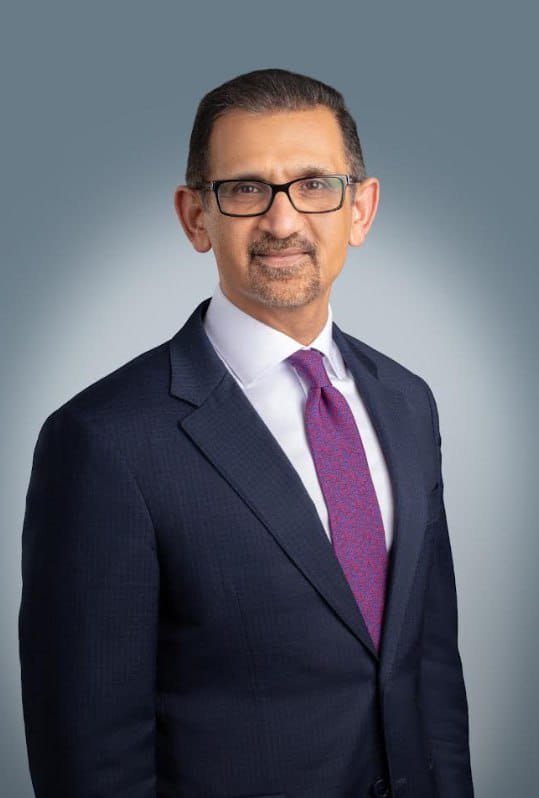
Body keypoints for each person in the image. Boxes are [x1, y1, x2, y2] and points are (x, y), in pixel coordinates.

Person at [18, 68, 474, 798]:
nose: (283, 221)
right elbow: (90, 756)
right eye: (245, 189)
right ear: (196, 217)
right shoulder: (104, 441)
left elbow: (431, 671)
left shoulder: (408, 403)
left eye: (314, 185)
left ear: (360, 209)